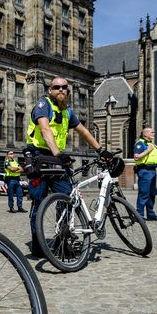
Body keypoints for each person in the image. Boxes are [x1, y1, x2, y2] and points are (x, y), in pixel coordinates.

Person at [25, 77, 109, 257]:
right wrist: (58, 154)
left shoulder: (68, 112)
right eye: (56, 87)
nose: (61, 90)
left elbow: (84, 132)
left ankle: (62, 241)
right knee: (39, 203)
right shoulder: (43, 105)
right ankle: (38, 243)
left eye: (64, 87)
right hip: (39, 157)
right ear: (50, 90)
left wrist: (101, 150)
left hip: (57, 161)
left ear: (68, 92)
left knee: (68, 200)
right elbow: (45, 130)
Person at [133, 127, 157, 221]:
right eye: (152, 132)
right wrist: (148, 150)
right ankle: (139, 215)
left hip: (152, 170)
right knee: (144, 193)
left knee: (151, 194)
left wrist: (152, 148)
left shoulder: (150, 144)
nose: (154, 133)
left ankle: (150, 214)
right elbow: (136, 157)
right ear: (145, 134)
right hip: (144, 170)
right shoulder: (140, 143)